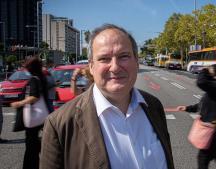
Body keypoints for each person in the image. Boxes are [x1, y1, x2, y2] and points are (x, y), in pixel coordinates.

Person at [40, 24, 174, 169]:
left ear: (137, 62)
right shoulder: (59, 124)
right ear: (91, 66)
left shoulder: (153, 106)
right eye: (104, 58)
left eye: (123, 56)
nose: (115, 67)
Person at [177, 64, 216, 169]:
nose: (208, 75)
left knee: (203, 158)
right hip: (214, 128)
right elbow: (203, 104)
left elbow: (201, 82)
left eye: (210, 73)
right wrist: (187, 108)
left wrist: (204, 70)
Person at [11, 57, 50, 169]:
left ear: (30, 68)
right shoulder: (42, 77)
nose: (25, 68)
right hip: (41, 115)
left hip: (33, 117)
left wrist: (19, 103)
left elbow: (34, 96)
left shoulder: (33, 79)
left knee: (30, 146)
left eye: (26, 66)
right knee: (32, 144)